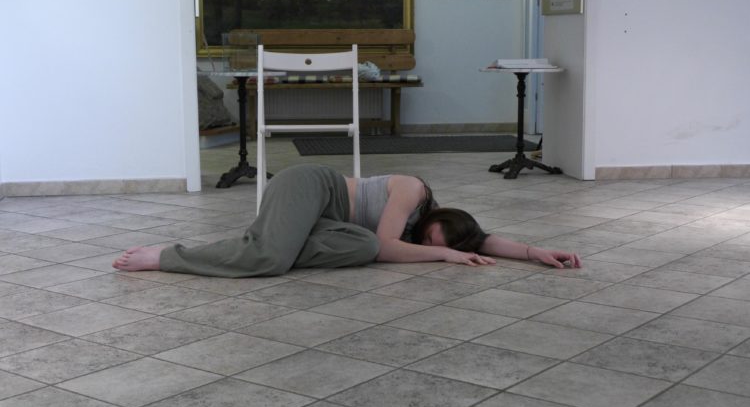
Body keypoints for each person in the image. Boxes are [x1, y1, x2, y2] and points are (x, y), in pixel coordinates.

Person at [112, 164, 581, 277]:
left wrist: (534, 252)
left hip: (331, 224)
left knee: (362, 248)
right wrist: (441, 254)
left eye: (431, 242)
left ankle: (273, 240)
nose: (425, 243)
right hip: (312, 187)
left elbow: (484, 239)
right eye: (429, 237)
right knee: (272, 260)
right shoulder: (412, 189)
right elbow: (391, 245)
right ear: (435, 217)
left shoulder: (452, 231)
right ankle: (167, 256)